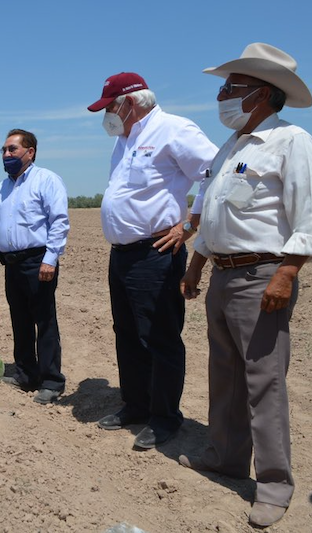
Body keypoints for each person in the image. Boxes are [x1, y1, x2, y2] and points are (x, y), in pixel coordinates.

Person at [178, 43, 312, 528]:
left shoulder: (291, 142)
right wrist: (197, 264)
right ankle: (225, 457)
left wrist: (287, 273)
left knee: (263, 383)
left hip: (262, 276)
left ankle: (273, 484)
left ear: (261, 93)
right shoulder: (232, 147)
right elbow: (214, 213)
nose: (222, 94)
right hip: (223, 274)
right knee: (223, 373)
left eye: (231, 87)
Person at [86, 73, 218, 449]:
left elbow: (215, 175)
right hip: (122, 255)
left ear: (131, 102)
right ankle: (137, 404)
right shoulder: (124, 140)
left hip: (155, 254)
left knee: (159, 337)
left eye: (110, 107)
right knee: (127, 334)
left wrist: (189, 225)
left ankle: (165, 417)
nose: (107, 115)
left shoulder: (174, 129)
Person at [0, 129, 69, 405]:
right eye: (4, 150)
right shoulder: (2, 187)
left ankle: (51, 380)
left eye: (12, 149)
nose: (6, 154)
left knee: (44, 321)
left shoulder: (46, 180)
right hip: (13, 265)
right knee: (19, 321)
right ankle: (25, 374)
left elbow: (59, 221)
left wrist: (50, 258)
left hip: (37, 261)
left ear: (29, 152)